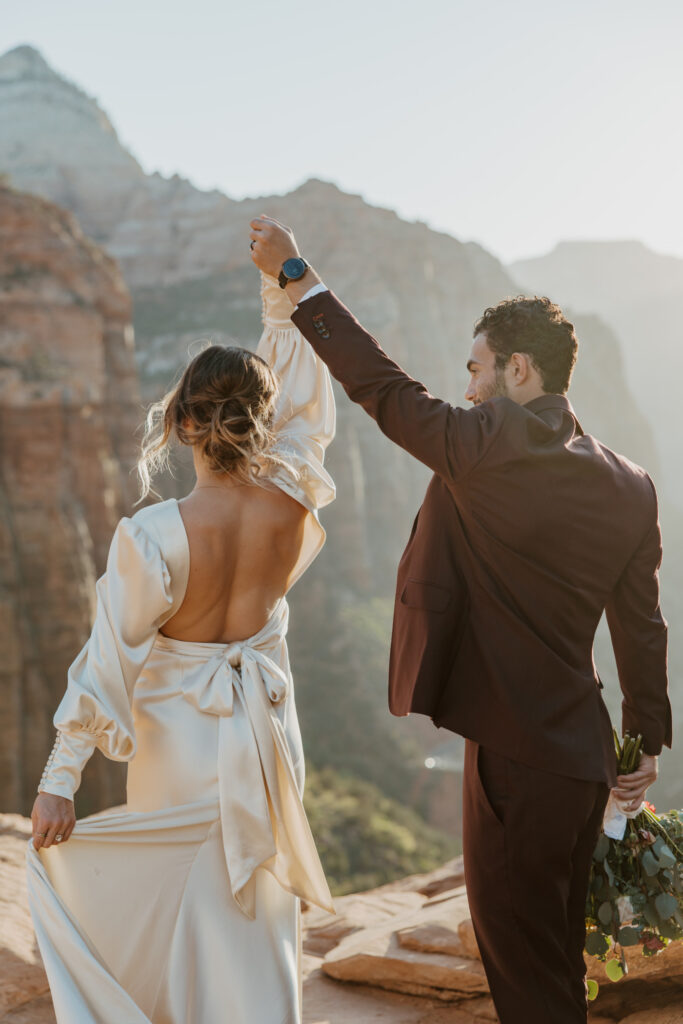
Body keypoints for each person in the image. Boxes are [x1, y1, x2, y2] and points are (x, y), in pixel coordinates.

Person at [249, 215, 672, 1024]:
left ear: (517, 369)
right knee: (550, 953)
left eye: (476, 369)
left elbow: (382, 389)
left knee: (521, 968)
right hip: (582, 756)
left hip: (511, 757)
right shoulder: (632, 483)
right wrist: (643, 739)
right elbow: (642, 624)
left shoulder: (486, 442)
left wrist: (298, 279)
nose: (467, 386)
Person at [27, 270, 336, 1024]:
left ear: (183, 423)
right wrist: (283, 293)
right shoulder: (293, 499)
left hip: (183, 750)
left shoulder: (152, 536)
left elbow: (109, 660)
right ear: (261, 424)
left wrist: (59, 779)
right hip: (266, 741)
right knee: (256, 917)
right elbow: (308, 408)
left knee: (178, 916)